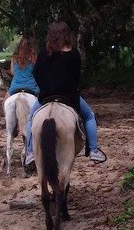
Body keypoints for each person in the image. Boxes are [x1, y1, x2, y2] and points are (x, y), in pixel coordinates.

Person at [25, 20, 107, 164]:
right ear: (66, 35)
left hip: (46, 96)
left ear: (50, 36)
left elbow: (37, 74)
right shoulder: (74, 53)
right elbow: (77, 77)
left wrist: (45, 88)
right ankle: (94, 150)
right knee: (89, 117)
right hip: (69, 96)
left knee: (31, 119)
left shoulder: (44, 53)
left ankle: (30, 152)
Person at [4, 36, 40, 102]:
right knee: (40, 105)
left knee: (4, 103)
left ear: (20, 45)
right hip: (32, 87)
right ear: (31, 47)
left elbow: (12, 72)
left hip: (15, 87)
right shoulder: (34, 58)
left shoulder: (14, 58)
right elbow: (37, 73)